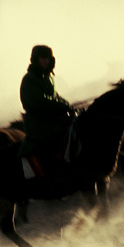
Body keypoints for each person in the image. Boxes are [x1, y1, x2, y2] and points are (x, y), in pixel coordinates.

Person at [19, 45, 76, 181]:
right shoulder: (29, 79)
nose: (45, 61)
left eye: (47, 59)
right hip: (38, 122)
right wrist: (61, 107)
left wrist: (68, 105)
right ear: (35, 59)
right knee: (58, 135)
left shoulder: (49, 77)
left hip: (53, 119)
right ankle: (54, 171)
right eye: (42, 58)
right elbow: (40, 102)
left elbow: (55, 96)